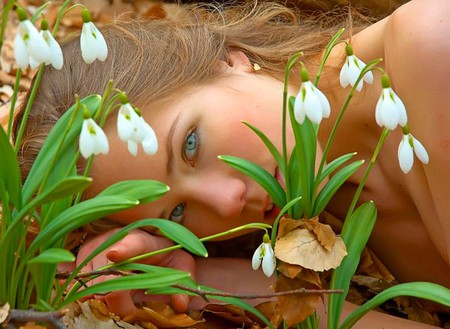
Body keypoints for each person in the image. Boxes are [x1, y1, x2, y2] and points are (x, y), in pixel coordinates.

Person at [13, 0, 450, 327]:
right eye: (177, 214)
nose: (227, 202)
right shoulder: (318, 227)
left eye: (190, 144)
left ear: (228, 60)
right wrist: (229, 286)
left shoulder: (432, 46)